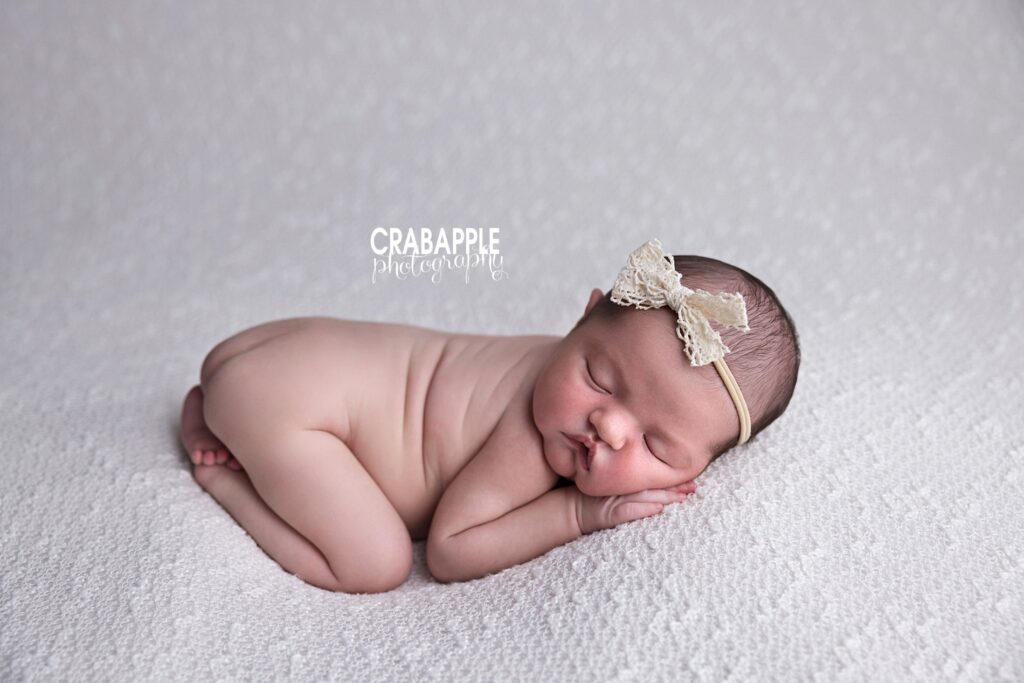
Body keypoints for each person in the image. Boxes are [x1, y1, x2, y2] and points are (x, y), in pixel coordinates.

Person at [180, 239, 800, 593]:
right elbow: (449, 551)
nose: (607, 427)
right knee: (375, 564)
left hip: (275, 350)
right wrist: (579, 511)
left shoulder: (559, 363)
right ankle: (224, 471)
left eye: (657, 447)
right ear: (579, 320)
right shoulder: (529, 439)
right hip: (288, 404)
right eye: (598, 379)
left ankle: (226, 404)